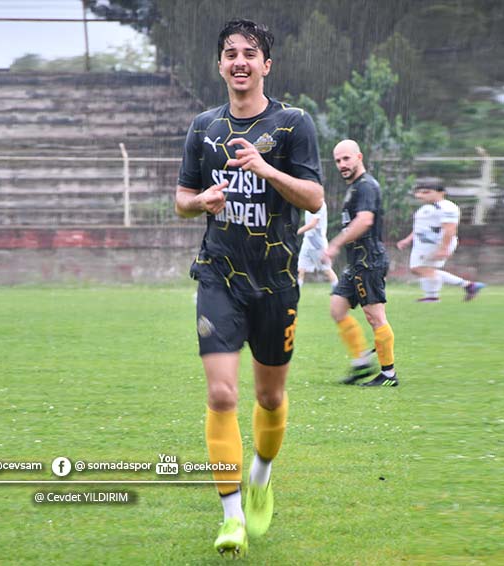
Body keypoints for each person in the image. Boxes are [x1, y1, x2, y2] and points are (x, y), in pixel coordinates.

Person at [175, 19, 324, 557]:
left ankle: (260, 474)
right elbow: (182, 198)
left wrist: (264, 168)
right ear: (220, 64)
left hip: (277, 281)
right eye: (230, 53)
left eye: (250, 53)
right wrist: (201, 202)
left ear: (267, 64)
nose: (240, 61)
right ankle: (232, 516)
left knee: (270, 396)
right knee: (221, 393)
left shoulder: (292, 123)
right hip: (219, 274)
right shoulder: (203, 128)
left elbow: (312, 196)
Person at [325, 139, 398, 387]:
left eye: (346, 158)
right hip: (356, 262)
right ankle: (362, 362)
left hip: (369, 260)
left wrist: (335, 244)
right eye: (338, 160)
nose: (342, 164)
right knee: (337, 307)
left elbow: (365, 220)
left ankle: (388, 374)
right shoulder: (355, 187)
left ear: (359, 157)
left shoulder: (366, 186)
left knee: (375, 316)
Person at [396, 180, 485, 302]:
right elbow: (421, 227)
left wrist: (443, 248)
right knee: (425, 270)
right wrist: (407, 239)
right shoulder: (426, 208)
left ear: (441, 193)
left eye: (426, 192)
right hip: (423, 243)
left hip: (435, 244)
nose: (420, 195)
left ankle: (463, 287)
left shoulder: (447, 207)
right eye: (419, 192)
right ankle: (435, 295)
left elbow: (450, 228)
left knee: (420, 269)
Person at [297, 200, 338, 289]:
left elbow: (313, 224)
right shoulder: (308, 203)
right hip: (307, 242)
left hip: (318, 244)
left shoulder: (319, 204)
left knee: (327, 270)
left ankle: (338, 293)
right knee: (300, 270)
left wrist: (297, 231)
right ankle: (294, 298)